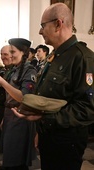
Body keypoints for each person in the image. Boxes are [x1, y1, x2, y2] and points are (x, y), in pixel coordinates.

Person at [12, 2, 94, 170]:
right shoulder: (56, 56)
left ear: (58, 24)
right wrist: (39, 130)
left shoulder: (82, 58)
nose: (40, 31)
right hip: (49, 135)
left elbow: (87, 108)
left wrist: (44, 119)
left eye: (43, 26)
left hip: (66, 141)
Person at [0, 38, 37, 170]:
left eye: (12, 51)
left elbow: (23, 98)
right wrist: (5, 117)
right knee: (10, 154)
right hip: (11, 116)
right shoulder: (15, 69)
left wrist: (2, 82)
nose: (10, 55)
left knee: (17, 158)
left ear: (23, 52)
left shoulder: (29, 70)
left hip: (21, 118)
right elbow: (10, 99)